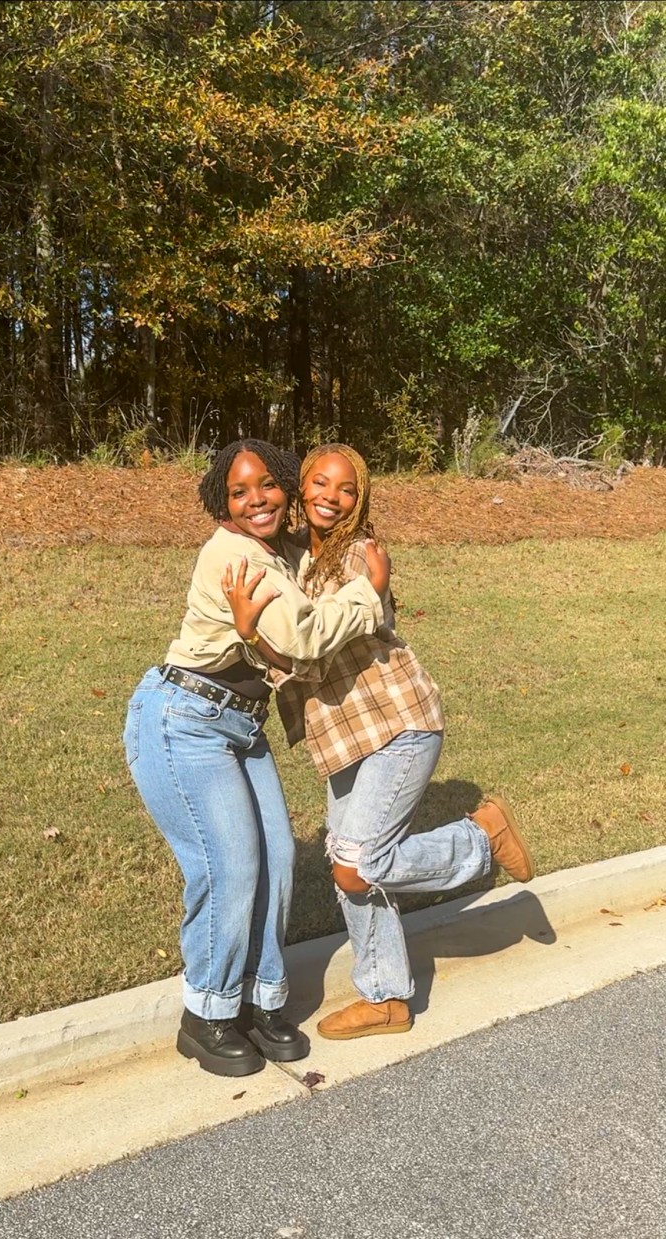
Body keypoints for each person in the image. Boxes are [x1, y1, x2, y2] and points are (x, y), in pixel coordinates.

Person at [224, 443, 535, 1041]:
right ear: (300, 487)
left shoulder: (362, 556)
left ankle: (481, 838)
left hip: (397, 724)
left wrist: (250, 632)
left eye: (345, 489)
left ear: (360, 497)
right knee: (350, 865)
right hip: (345, 734)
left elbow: (309, 649)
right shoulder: (293, 558)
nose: (329, 498)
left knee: (358, 864)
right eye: (318, 483)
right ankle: (386, 997)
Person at [122, 439, 386, 1077]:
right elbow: (304, 637)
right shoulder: (235, 555)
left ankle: (262, 1002)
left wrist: (340, 522)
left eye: (268, 485)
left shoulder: (276, 548)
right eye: (240, 492)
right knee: (229, 871)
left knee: (277, 864)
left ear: (286, 486)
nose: (258, 499)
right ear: (222, 502)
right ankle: (206, 1014)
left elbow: (316, 563)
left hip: (238, 724)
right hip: (183, 721)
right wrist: (369, 592)